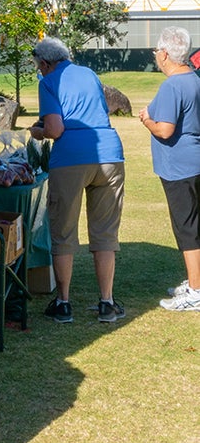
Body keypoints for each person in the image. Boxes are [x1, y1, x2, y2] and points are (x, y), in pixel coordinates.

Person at [29, 36, 126, 324]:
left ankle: (63, 303)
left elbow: (56, 129)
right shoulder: (89, 73)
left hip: (70, 157)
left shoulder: (48, 81)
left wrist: (39, 132)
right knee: (105, 232)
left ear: (45, 63)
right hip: (109, 153)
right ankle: (107, 303)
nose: (39, 71)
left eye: (39, 66)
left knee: (63, 232)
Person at [137, 27, 200, 312]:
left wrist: (146, 119)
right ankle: (195, 281)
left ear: (164, 54)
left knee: (186, 229)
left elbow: (164, 129)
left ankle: (196, 292)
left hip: (179, 168)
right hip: (194, 162)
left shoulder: (173, 85)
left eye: (156, 52)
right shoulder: (195, 79)